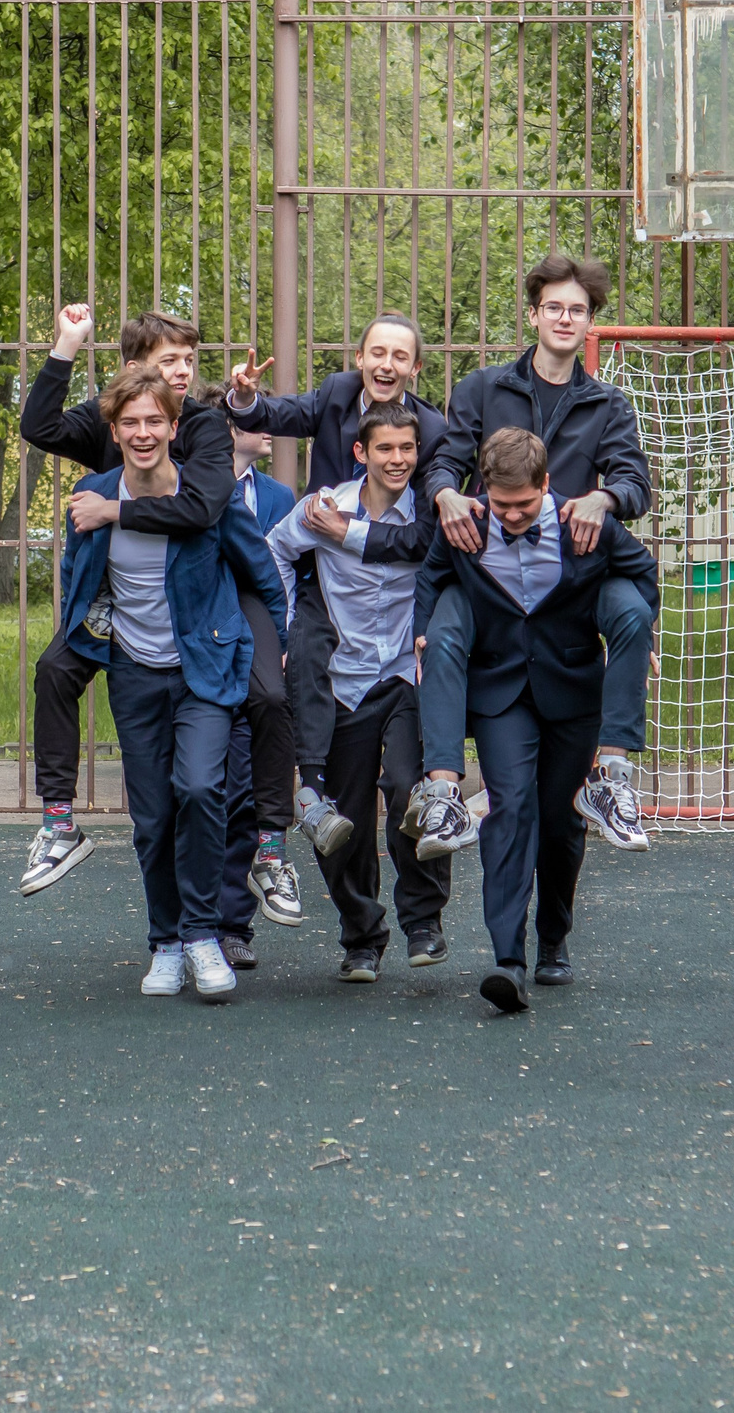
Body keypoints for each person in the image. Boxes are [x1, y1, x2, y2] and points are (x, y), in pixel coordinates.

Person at [410, 253, 657, 860]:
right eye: (555, 307)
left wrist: (602, 497)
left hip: (575, 570)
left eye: (578, 309)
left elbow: (635, 483)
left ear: (590, 320)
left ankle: (613, 780)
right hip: (489, 569)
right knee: (441, 633)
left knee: (631, 612)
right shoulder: (482, 387)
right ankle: (443, 793)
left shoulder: (608, 405)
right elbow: (443, 461)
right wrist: (445, 493)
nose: (565, 318)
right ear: (534, 314)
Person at [14, 305, 261, 896]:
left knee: (268, 697)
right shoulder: (117, 418)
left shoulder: (197, 424)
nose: (182, 371)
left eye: (189, 361)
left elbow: (201, 508)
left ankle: (268, 843)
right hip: (117, 603)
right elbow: (38, 428)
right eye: (168, 360)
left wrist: (114, 511)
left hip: (198, 598)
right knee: (54, 669)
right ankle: (58, 823)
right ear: (133, 370)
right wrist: (67, 344)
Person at [54, 368, 283, 1004]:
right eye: (131, 422)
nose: (144, 432)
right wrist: (84, 644)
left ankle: (204, 934)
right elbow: (79, 580)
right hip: (134, 674)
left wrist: (276, 649)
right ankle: (165, 942)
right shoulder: (92, 494)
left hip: (203, 671)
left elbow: (262, 575)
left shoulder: (206, 495)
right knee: (153, 819)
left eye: (155, 420)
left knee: (203, 789)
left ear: (174, 428)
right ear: (115, 430)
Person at [414, 428, 660, 1015]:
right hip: (503, 692)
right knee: (511, 809)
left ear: (546, 486)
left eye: (524, 504)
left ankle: (554, 937)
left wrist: (639, 630)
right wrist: (427, 631)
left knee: (559, 822)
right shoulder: (466, 527)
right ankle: (507, 960)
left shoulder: (587, 525)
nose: (513, 515)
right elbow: (432, 576)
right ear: (483, 491)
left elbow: (641, 570)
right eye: (502, 505)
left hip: (574, 689)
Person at [225, 311, 448, 852]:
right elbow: (275, 415)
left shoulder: (432, 431)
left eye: (400, 356)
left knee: (435, 652)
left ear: (415, 367)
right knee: (304, 644)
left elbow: (424, 540)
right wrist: (246, 401)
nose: (387, 364)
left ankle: (439, 791)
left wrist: (351, 533)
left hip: (391, 567)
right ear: (360, 359)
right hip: (321, 566)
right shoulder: (335, 395)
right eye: (378, 353)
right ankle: (310, 787)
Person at [267, 401, 444, 980]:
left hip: (403, 676)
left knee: (408, 793)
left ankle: (423, 923)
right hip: (342, 681)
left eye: (408, 448)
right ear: (361, 453)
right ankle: (362, 936)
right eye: (385, 449)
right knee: (340, 820)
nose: (398, 459)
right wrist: (292, 625)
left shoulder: (430, 513)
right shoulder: (324, 507)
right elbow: (275, 550)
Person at [216, 421, 302, 969]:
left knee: (247, 785)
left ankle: (231, 924)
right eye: (251, 421)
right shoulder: (191, 482)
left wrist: (284, 637)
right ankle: (188, 925)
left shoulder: (277, 496)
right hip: (209, 642)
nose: (267, 428)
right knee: (206, 788)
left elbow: (288, 573)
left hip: (264, 645)